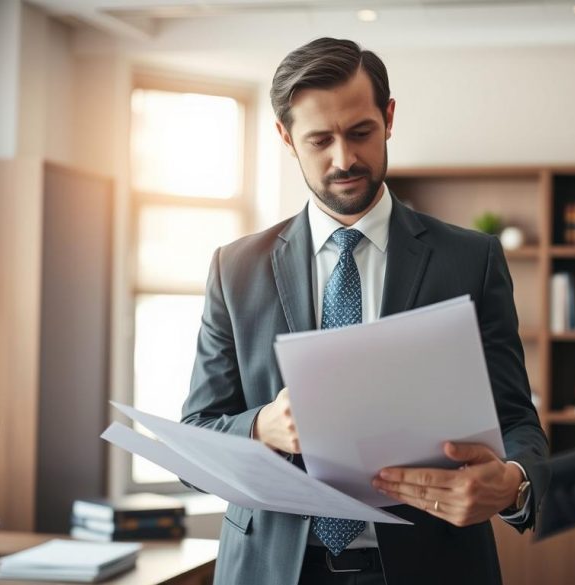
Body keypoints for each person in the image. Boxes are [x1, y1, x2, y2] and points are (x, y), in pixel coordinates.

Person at [181, 37, 549, 585]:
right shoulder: (234, 269)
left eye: (360, 133)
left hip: (435, 565)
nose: (344, 159)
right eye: (319, 140)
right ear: (285, 137)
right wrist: (261, 427)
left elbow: (517, 418)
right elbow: (197, 432)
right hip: (273, 569)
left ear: (389, 117)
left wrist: (515, 482)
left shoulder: (471, 260)